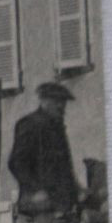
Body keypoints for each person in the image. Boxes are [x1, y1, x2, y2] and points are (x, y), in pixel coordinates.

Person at [7, 81, 80, 215]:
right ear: (44, 101)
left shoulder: (57, 128)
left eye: (63, 102)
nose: (61, 106)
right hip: (40, 203)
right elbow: (16, 163)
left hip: (61, 203)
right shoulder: (30, 124)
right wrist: (36, 189)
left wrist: (76, 189)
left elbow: (64, 167)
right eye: (56, 101)